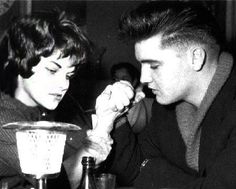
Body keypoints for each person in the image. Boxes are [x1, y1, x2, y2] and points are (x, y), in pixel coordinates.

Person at [93, 1, 236, 188]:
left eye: (154, 66)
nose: (144, 78)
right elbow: (133, 169)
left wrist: (152, 171)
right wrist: (116, 118)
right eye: (141, 65)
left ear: (196, 58)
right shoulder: (167, 108)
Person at [0, 11, 112, 189]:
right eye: (52, 70)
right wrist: (94, 144)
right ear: (21, 62)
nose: (64, 85)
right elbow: (58, 185)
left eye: (69, 75)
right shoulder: (4, 119)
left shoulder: (42, 112)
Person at [110, 62, 153, 133]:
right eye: (115, 79)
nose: (118, 83)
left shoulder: (147, 105)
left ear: (134, 82)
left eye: (124, 79)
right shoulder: (107, 101)